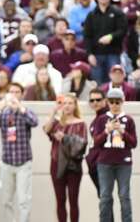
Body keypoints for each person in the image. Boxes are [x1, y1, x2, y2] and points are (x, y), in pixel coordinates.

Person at [0, 82, 38, 222]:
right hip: (7, 163)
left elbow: (34, 122)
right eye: (12, 92)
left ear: (22, 94)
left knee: (24, 200)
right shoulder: (3, 112)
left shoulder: (26, 111)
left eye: (17, 92)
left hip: (23, 163)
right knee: (6, 201)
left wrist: (20, 108)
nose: (14, 95)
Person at [93, 88, 137, 222]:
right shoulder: (101, 119)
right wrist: (107, 131)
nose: (114, 105)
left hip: (123, 162)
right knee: (105, 196)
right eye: (111, 102)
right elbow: (96, 142)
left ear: (122, 101)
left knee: (124, 195)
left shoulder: (128, 120)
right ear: (107, 102)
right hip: (105, 162)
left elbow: (134, 143)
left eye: (117, 102)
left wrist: (123, 132)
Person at [43, 93, 87, 222]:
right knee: (60, 200)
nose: (67, 106)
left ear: (75, 106)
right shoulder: (57, 122)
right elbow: (46, 129)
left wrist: (65, 138)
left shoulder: (81, 123)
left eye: (70, 103)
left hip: (73, 165)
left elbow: (82, 144)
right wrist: (53, 110)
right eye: (64, 103)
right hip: (57, 163)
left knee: (73, 200)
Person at [84, 0, 128, 85]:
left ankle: (115, 100)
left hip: (113, 53)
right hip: (96, 54)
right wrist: (89, 54)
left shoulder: (118, 13)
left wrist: (111, 36)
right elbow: (87, 36)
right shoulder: (91, 15)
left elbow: (123, 30)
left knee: (115, 82)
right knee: (97, 83)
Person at [84, 89, 114, 221]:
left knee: (105, 198)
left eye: (98, 100)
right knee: (103, 198)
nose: (95, 103)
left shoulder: (107, 117)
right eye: (92, 100)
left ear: (104, 101)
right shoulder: (97, 118)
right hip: (95, 166)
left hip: (102, 164)